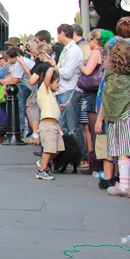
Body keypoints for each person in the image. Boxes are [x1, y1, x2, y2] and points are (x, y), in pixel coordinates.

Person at [96, 37, 130, 197]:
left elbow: (107, 98)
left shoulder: (111, 75)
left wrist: (103, 117)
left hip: (120, 117)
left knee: (123, 150)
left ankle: (124, 185)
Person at [55, 23, 88, 162]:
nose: (57, 37)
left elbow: (67, 73)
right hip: (64, 90)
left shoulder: (73, 50)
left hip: (71, 90)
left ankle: (81, 157)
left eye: (58, 34)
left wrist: (55, 68)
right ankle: (71, 158)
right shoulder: (65, 50)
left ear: (63, 33)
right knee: (67, 127)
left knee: (73, 126)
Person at [81, 29, 111, 175]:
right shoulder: (107, 52)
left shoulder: (96, 52)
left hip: (94, 92)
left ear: (94, 40)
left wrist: (81, 66)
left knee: (94, 130)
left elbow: (87, 71)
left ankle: (97, 164)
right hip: (101, 91)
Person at [35, 68, 64, 180]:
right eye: (57, 82)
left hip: (54, 125)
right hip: (48, 125)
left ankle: (43, 162)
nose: (59, 84)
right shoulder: (44, 90)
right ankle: (42, 170)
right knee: (49, 149)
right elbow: (48, 77)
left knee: (58, 149)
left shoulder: (51, 95)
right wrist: (52, 67)